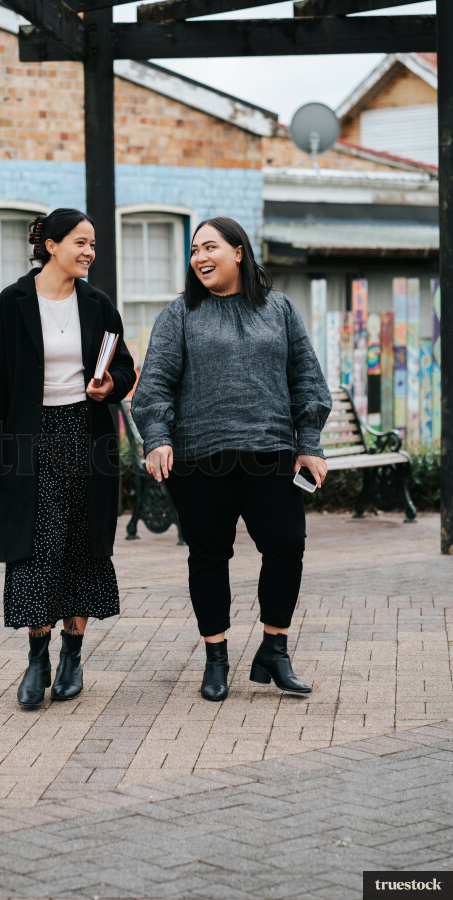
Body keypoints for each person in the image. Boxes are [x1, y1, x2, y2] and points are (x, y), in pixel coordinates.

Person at [131, 217, 332, 702]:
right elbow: (154, 383)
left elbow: (306, 376)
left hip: (270, 454)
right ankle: (216, 658)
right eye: (194, 250)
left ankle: (274, 650)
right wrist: (157, 437)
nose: (199, 257)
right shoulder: (180, 314)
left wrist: (309, 442)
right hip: (200, 458)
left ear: (238, 251)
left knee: (287, 546)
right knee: (209, 556)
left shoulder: (279, 309)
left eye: (209, 247)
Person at [0, 208, 136, 708]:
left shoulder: (98, 304)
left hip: (87, 435)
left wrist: (111, 384)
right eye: (81, 243)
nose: (89, 252)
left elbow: (125, 369)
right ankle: (37, 658)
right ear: (51, 245)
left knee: (82, 545)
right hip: (31, 437)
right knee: (36, 548)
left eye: (93, 244)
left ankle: (73, 655)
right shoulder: (11, 303)